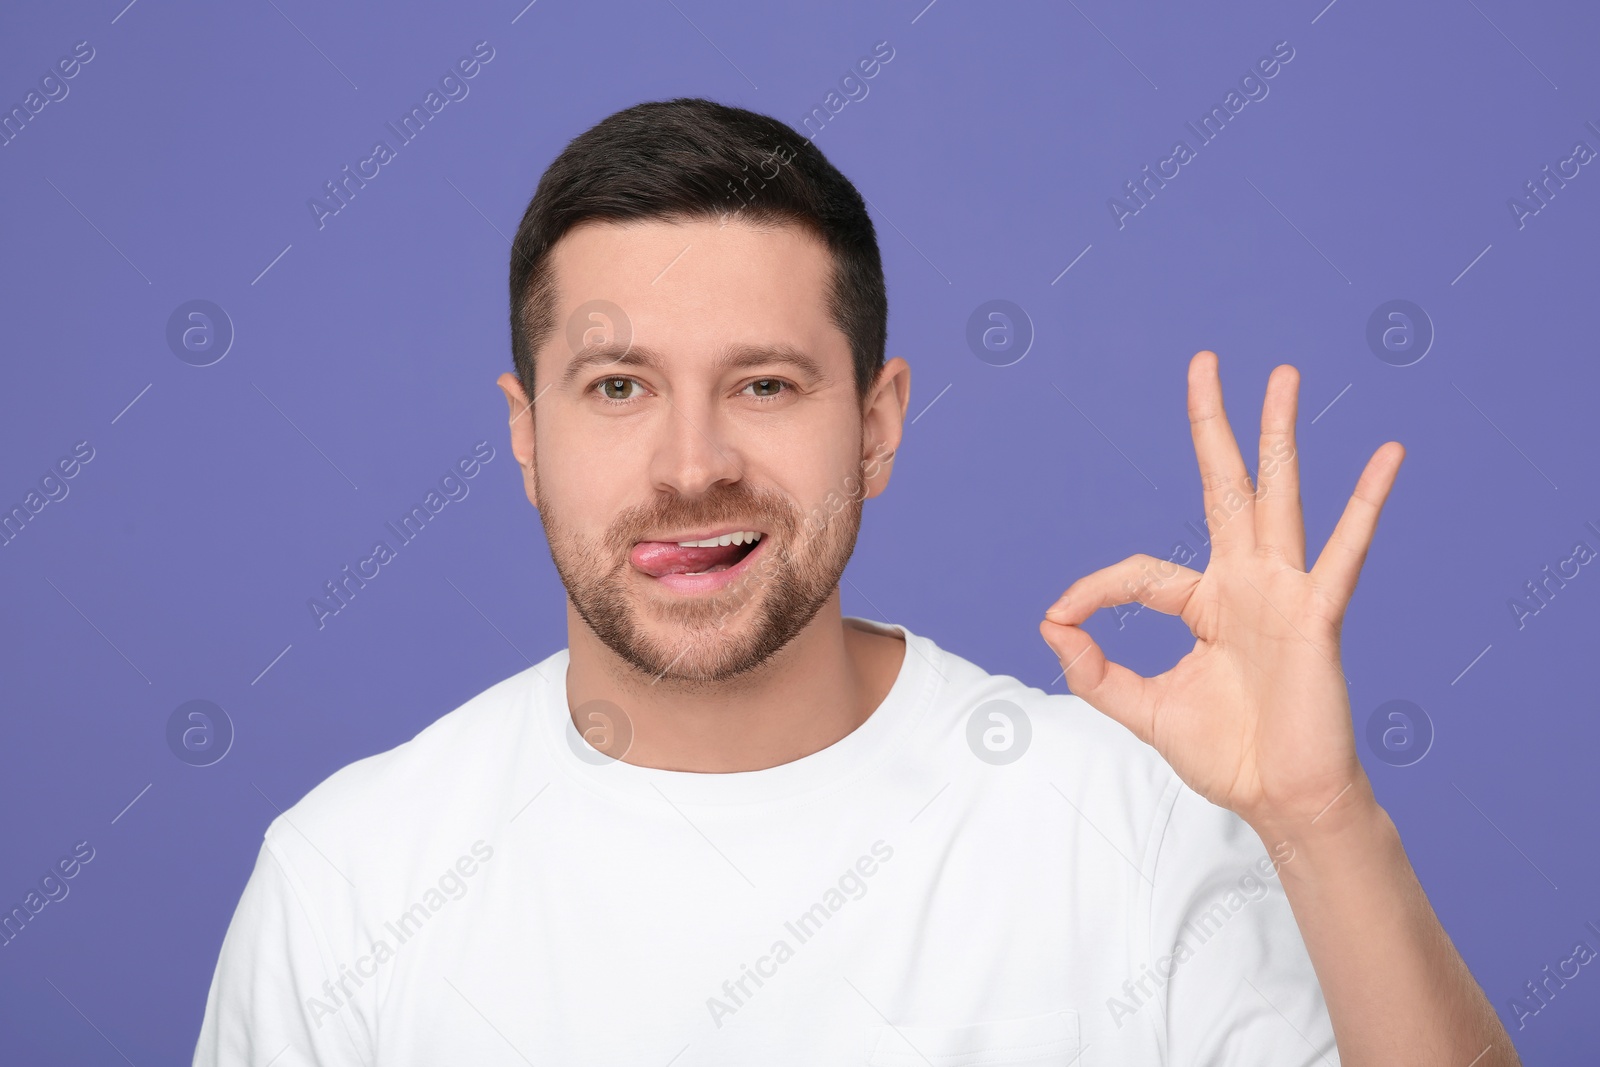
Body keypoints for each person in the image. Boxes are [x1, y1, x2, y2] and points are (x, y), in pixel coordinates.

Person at [193, 97, 1517, 1066]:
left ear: (878, 425)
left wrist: (1322, 823)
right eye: (617, 388)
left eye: (765, 384)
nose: (691, 463)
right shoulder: (350, 886)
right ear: (527, 436)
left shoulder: (1123, 826)